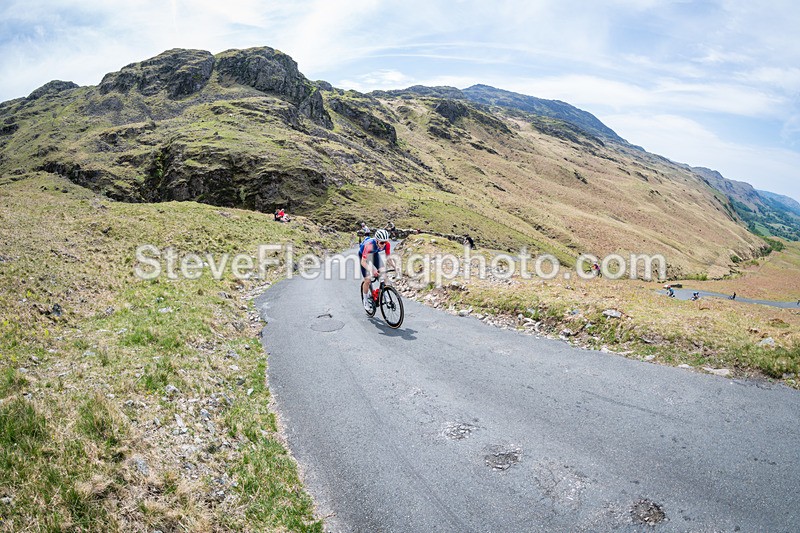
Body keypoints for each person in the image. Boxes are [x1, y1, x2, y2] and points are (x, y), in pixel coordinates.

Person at [360, 228, 392, 311]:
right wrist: (372, 270)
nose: (383, 245)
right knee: (367, 280)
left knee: (383, 274)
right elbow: (363, 262)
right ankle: (365, 300)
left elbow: (388, 258)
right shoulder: (369, 245)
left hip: (374, 254)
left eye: (385, 242)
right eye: (381, 242)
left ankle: (385, 295)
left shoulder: (386, 244)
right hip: (364, 256)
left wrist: (395, 267)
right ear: (377, 240)